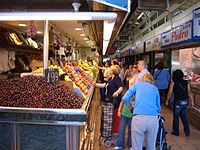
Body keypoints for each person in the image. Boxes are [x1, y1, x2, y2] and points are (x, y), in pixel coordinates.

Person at [123, 74, 161, 150]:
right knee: (151, 146)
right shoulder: (155, 88)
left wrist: (130, 107)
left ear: (142, 79)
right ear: (152, 81)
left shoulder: (137, 85)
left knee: (137, 146)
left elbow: (125, 98)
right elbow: (158, 108)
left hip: (138, 118)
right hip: (153, 119)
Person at [95, 65, 123, 141]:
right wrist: (95, 85)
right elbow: (105, 85)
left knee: (109, 118)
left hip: (111, 101)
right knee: (107, 118)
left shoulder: (117, 79)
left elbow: (121, 87)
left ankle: (108, 134)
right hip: (107, 100)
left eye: (110, 69)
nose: (108, 70)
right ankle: (106, 133)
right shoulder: (111, 78)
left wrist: (117, 92)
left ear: (113, 71)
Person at [115, 63, 138, 150]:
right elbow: (123, 99)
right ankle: (120, 145)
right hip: (125, 113)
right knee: (121, 130)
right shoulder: (129, 92)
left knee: (131, 131)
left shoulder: (139, 95)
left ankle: (130, 145)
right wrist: (119, 110)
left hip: (133, 115)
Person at [165, 69, 191, 136]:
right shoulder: (186, 82)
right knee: (184, 116)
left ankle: (176, 131)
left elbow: (169, 93)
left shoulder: (173, 83)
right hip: (185, 101)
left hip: (178, 102)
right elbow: (189, 92)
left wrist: (167, 101)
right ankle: (187, 131)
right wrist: (192, 101)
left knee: (176, 117)